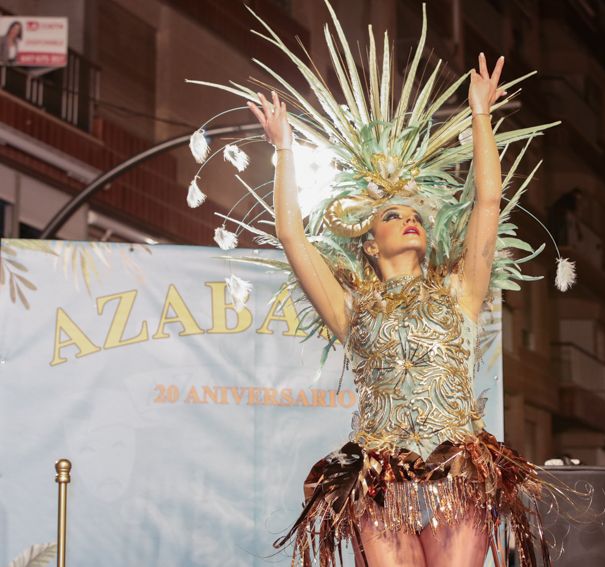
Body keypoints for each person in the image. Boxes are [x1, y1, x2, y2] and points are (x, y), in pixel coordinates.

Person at [188, 4, 578, 565]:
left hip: (456, 474)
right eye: (392, 215)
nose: (410, 218)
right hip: (378, 478)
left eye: (414, 212)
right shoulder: (350, 307)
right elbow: (292, 235)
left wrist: (481, 118)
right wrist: (283, 149)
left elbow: (488, 203)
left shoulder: (458, 292)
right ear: (368, 242)